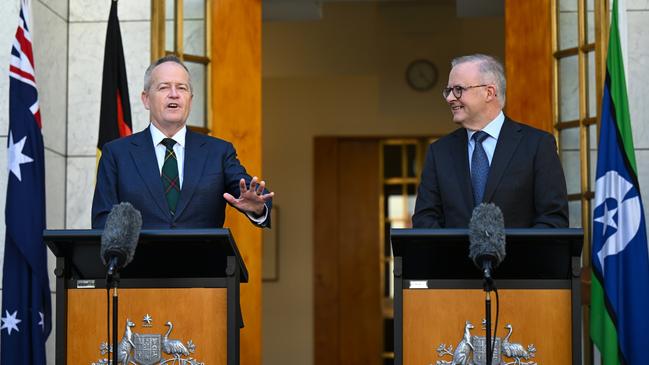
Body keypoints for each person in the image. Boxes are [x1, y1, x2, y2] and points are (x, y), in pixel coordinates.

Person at [92, 55, 273, 229]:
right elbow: (102, 221)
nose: (174, 94)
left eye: (182, 88)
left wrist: (258, 208)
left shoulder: (218, 152)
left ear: (190, 100)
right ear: (146, 99)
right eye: (164, 87)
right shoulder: (116, 153)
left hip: (201, 259)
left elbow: (252, 194)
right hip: (139, 260)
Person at [412, 54, 568, 228]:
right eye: (448, 91)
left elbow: (553, 219)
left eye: (458, 89)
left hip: (520, 255)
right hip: (453, 256)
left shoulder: (537, 145)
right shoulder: (439, 152)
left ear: (489, 92)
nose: (450, 98)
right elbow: (424, 221)